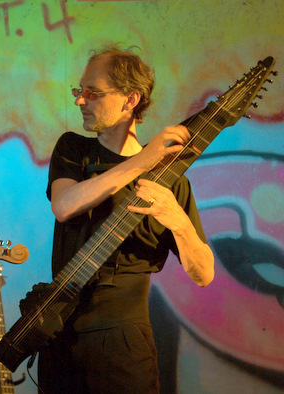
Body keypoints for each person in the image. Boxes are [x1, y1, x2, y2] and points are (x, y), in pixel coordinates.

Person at [37, 45, 215, 393]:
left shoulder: (171, 181)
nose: (80, 101)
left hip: (123, 341)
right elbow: (64, 206)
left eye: (92, 93)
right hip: (58, 331)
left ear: (130, 99)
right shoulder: (74, 149)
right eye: (79, 91)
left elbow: (204, 273)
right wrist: (143, 160)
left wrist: (176, 220)